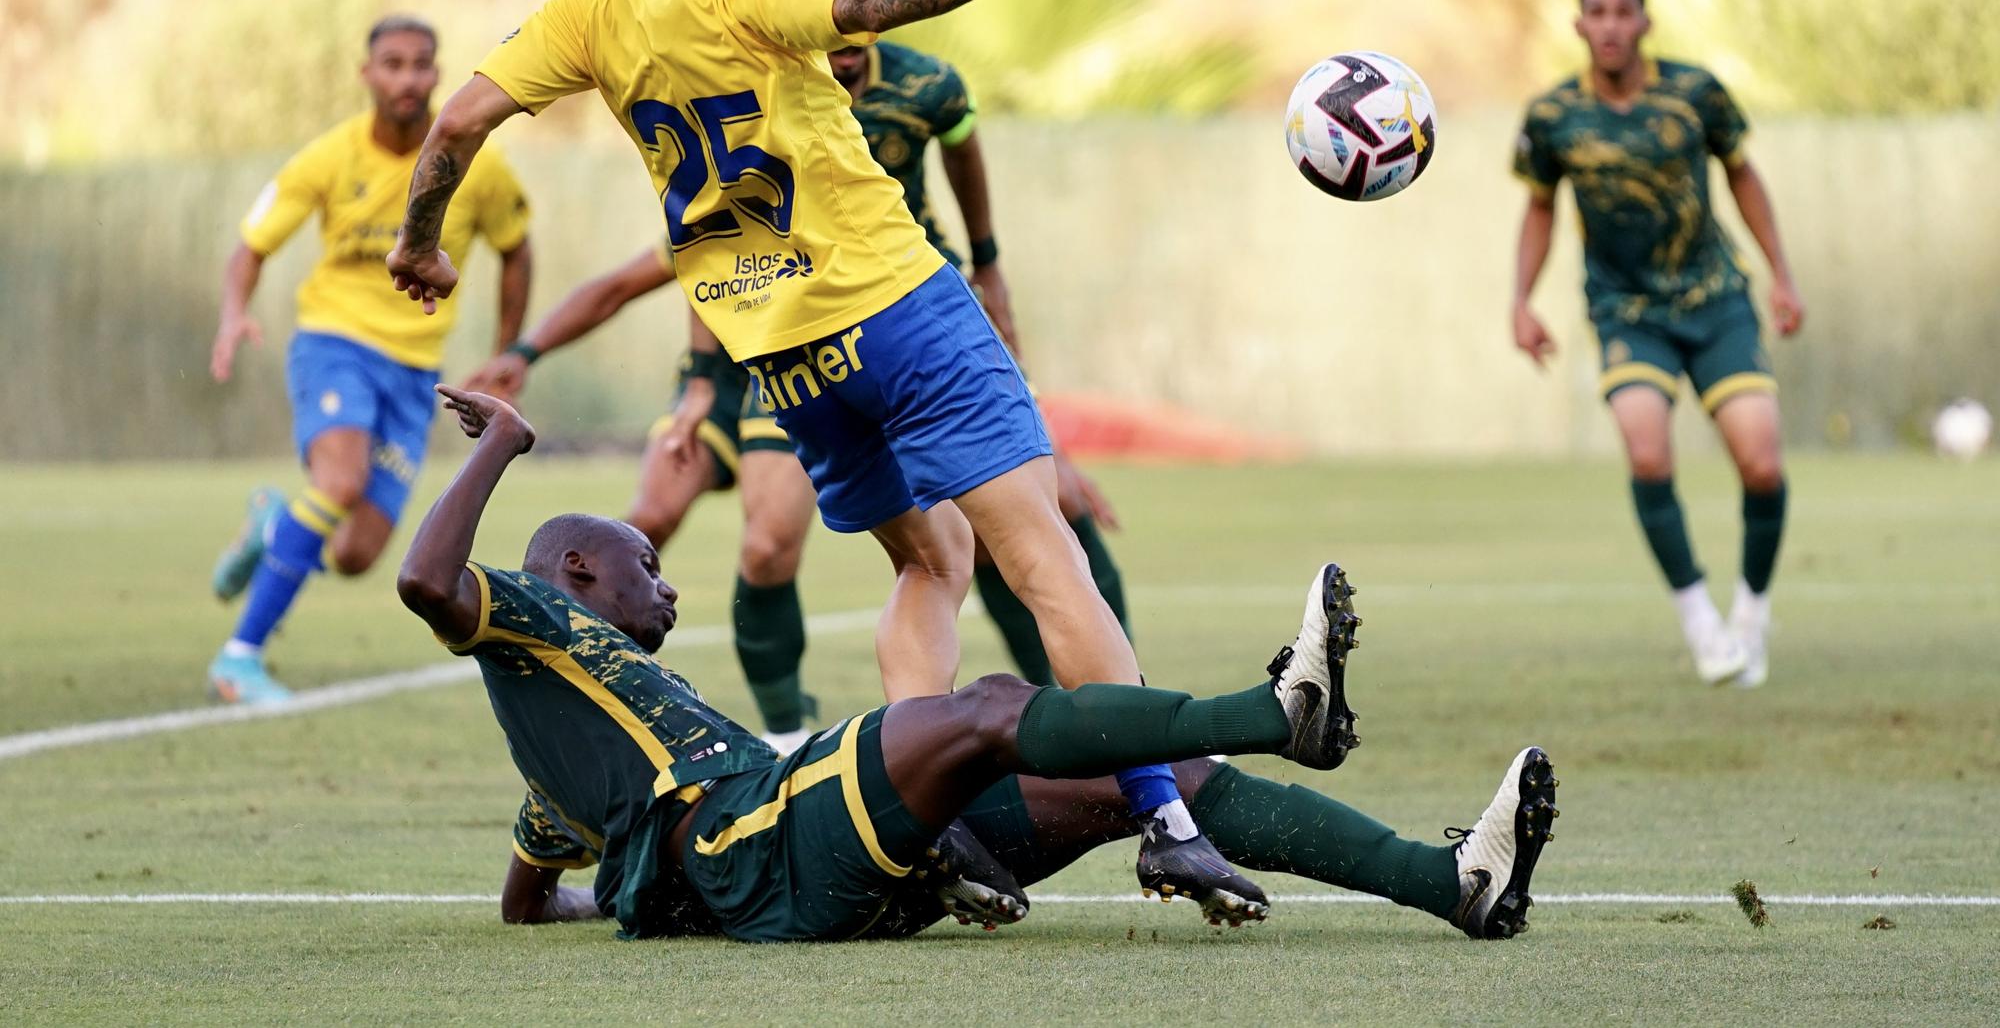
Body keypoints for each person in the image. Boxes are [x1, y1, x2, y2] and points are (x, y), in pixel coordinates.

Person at [384, 0, 1252, 911]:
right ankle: (1166, 815)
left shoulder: (589, 9)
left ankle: (913, 826)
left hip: (780, 354)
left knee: (926, 564)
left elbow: (455, 125)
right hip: (895, 308)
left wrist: (419, 241)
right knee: (1042, 558)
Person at [399, 385, 1559, 942]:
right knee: (993, 703)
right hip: (754, 836)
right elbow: (426, 583)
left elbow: (525, 900)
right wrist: (503, 440)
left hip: (790, 851)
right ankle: (1279, 709)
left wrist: (622, 889)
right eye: (643, 563)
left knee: (1156, 784)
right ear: (579, 577)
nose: (667, 582)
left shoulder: (569, 757)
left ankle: (1448, 882)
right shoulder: (542, 623)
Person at [797, 0, 1131, 684]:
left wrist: (988, 262)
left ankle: (1114, 702)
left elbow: (962, 144)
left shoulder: (928, 86)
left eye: (860, 34)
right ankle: (1119, 733)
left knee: (1025, 511)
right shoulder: (776, 84)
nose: (846, 53)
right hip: (827, 318)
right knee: (965, 541)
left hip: (925, 290)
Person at [206, 16, 533, 705]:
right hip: (335, 342)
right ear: (367, 74)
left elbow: (516, 247)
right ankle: (240, 656)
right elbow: (251, 243)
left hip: (416, 373)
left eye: (420, 65)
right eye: (392, 64)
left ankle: (274, 525)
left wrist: (508, 350)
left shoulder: (478, 162)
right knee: (341, 479)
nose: (407, 78)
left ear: (438, 75)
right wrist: (235, 311)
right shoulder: (329, 157)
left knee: (356, 553)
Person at [1511, 0, 1802, 687]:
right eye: (1596, 13)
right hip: (1626, 310)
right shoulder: (1553, 117)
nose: (1610, 25)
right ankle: (1701, 620)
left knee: (1762, 463)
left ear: (1644, 23)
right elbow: (1541, 207)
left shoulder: (1695, 93)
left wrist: (1782, 276)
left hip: (1715, 298)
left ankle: (1752, 615)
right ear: (1580, 25)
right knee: (1647, 453)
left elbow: (1741, 173)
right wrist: (1521, 300)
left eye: (1623, 12)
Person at [463, 240, 823, 750]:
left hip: (796, 359)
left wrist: (983, 263)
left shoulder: (812, 187)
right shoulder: (704, 192)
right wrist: (524, 355)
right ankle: (579, 682)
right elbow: (614, 289)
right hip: (717, 376)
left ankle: (785, 734)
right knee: (640, 526)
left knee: (766, 549)